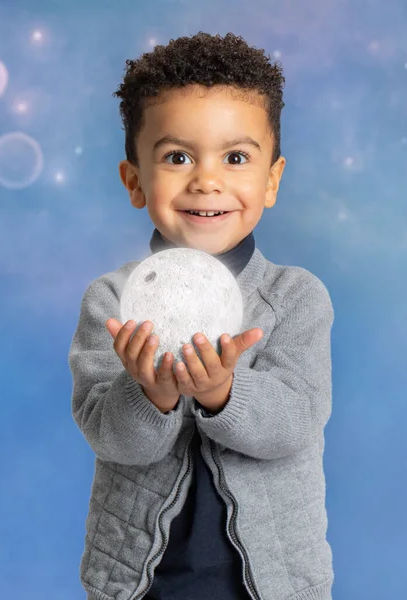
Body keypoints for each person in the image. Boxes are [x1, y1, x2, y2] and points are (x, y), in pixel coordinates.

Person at [68, 31, 335, 600]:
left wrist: (223, 392)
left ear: (272, 180)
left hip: (270, 585)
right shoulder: (111, 301)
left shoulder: (295, 297)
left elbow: (296, 420)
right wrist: (150, 395)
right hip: (139, 584)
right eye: (177, 156)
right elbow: (111, 437)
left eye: (235, 157)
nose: (206, 179)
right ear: (136, 180)